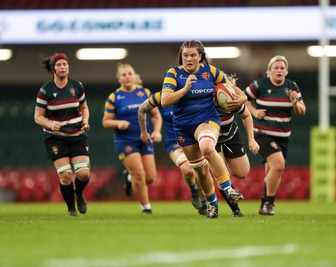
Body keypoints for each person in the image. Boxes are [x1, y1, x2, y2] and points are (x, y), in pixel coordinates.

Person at [161, 40, 245, 219]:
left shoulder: (210, 71)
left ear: (200, 56)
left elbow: (231, 86)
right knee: (200, 170)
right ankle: (212, 206)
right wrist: (184, 89)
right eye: (185, 55)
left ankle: (228, 189)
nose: (189, 59)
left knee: (207, 147)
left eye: (193, 55)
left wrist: (243, 97)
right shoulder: (173, 73)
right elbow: (165, 100)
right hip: (183, 128)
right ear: (181, 57)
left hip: (207, 120)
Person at [244, 55, 306, 216]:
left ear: (286, 71)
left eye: (282, 68)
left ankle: (263, 206)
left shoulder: (292, 86)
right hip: (263, 134)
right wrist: (254, 112)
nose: (279, 70)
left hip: (283, 136)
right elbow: (243, 99)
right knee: (278, 165)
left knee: (273, 171)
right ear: (269, 70)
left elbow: (301, 111)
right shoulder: (260, 85)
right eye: (276, 67)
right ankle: (268, 204)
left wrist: (295, 102)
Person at [34, 53, 91, 217]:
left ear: (68, 67)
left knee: (83, 174)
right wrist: (50, 124)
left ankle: (79, 195)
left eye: (64, 64)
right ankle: (71, 209)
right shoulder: (45, 90)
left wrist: (85, 120)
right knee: (66, 176)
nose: (62, 67)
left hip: (77, 135)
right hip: (56, 138)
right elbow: (37, 117)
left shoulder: (76, 85)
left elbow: (84, 107)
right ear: (53, 69)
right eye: (59, 65)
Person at [102, 63, 162, 215]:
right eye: (124, 75)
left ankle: (128, 177)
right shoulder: (114, 97)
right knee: (139, 175)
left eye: (130, 74)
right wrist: (118, 123)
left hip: (145, 139)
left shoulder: (145, 92)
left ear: (134, 76)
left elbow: (155, 115)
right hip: (125, 141)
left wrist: (156, 131)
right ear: (118, 79)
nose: (127, 77)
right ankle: (146, 208)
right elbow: (106, 122)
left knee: (150, 178)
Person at [138, 91, 207, 215]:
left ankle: (203, 203)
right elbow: (142, 109)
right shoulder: (160, 97)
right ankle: (194, 191)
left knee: (200, 172)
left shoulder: (192, 93)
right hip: (174, 143)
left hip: (194, 141)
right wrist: (145, 131)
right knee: (188, 170)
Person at [214, 77, 260, 217]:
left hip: (231, 136)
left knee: (242, 172)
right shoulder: (204, 103)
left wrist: (251, 139)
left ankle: (223, 169)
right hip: (213, 141)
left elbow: (247, 116)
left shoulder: (233, 100)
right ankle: (236, 210)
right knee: (222, 175)